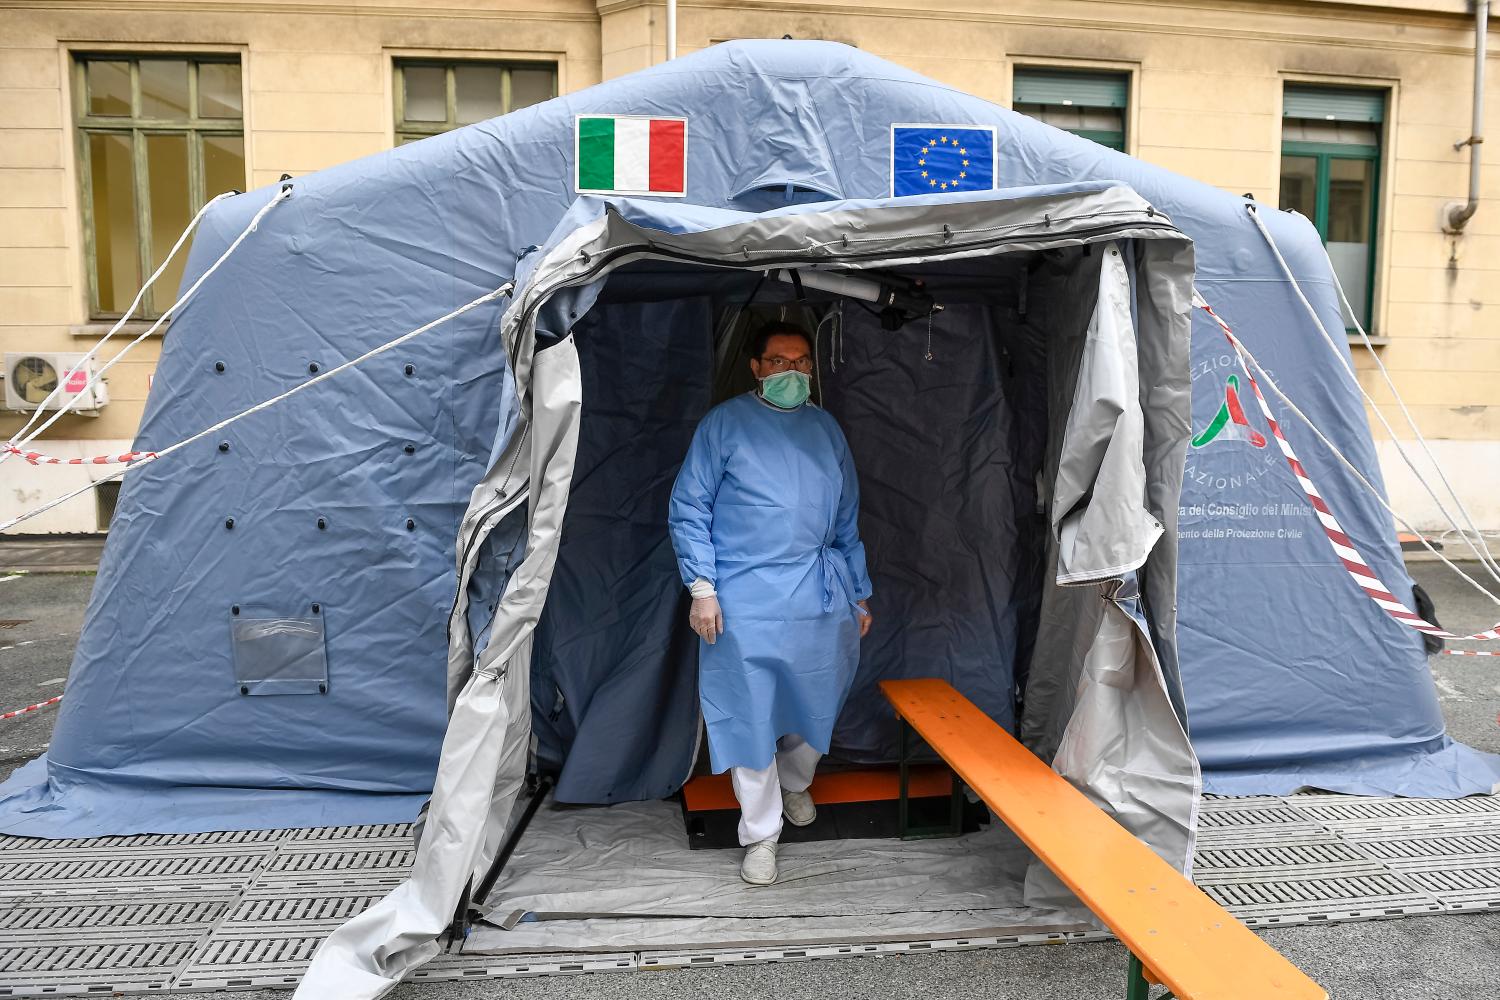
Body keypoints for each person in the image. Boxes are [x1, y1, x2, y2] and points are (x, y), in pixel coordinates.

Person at [668, 320, 873, 886]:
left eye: (802, 362)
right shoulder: (725, 425)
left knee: (819, 699)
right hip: (743, 596)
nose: (792, 371)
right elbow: (690, 508)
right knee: (750, 714)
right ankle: (761, 833)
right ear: (756, 367)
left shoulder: (826, 430)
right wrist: (702, 589)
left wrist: (857, 590)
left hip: (818, 589)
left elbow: (845, 521)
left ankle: (796, 783)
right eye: (779, 361)